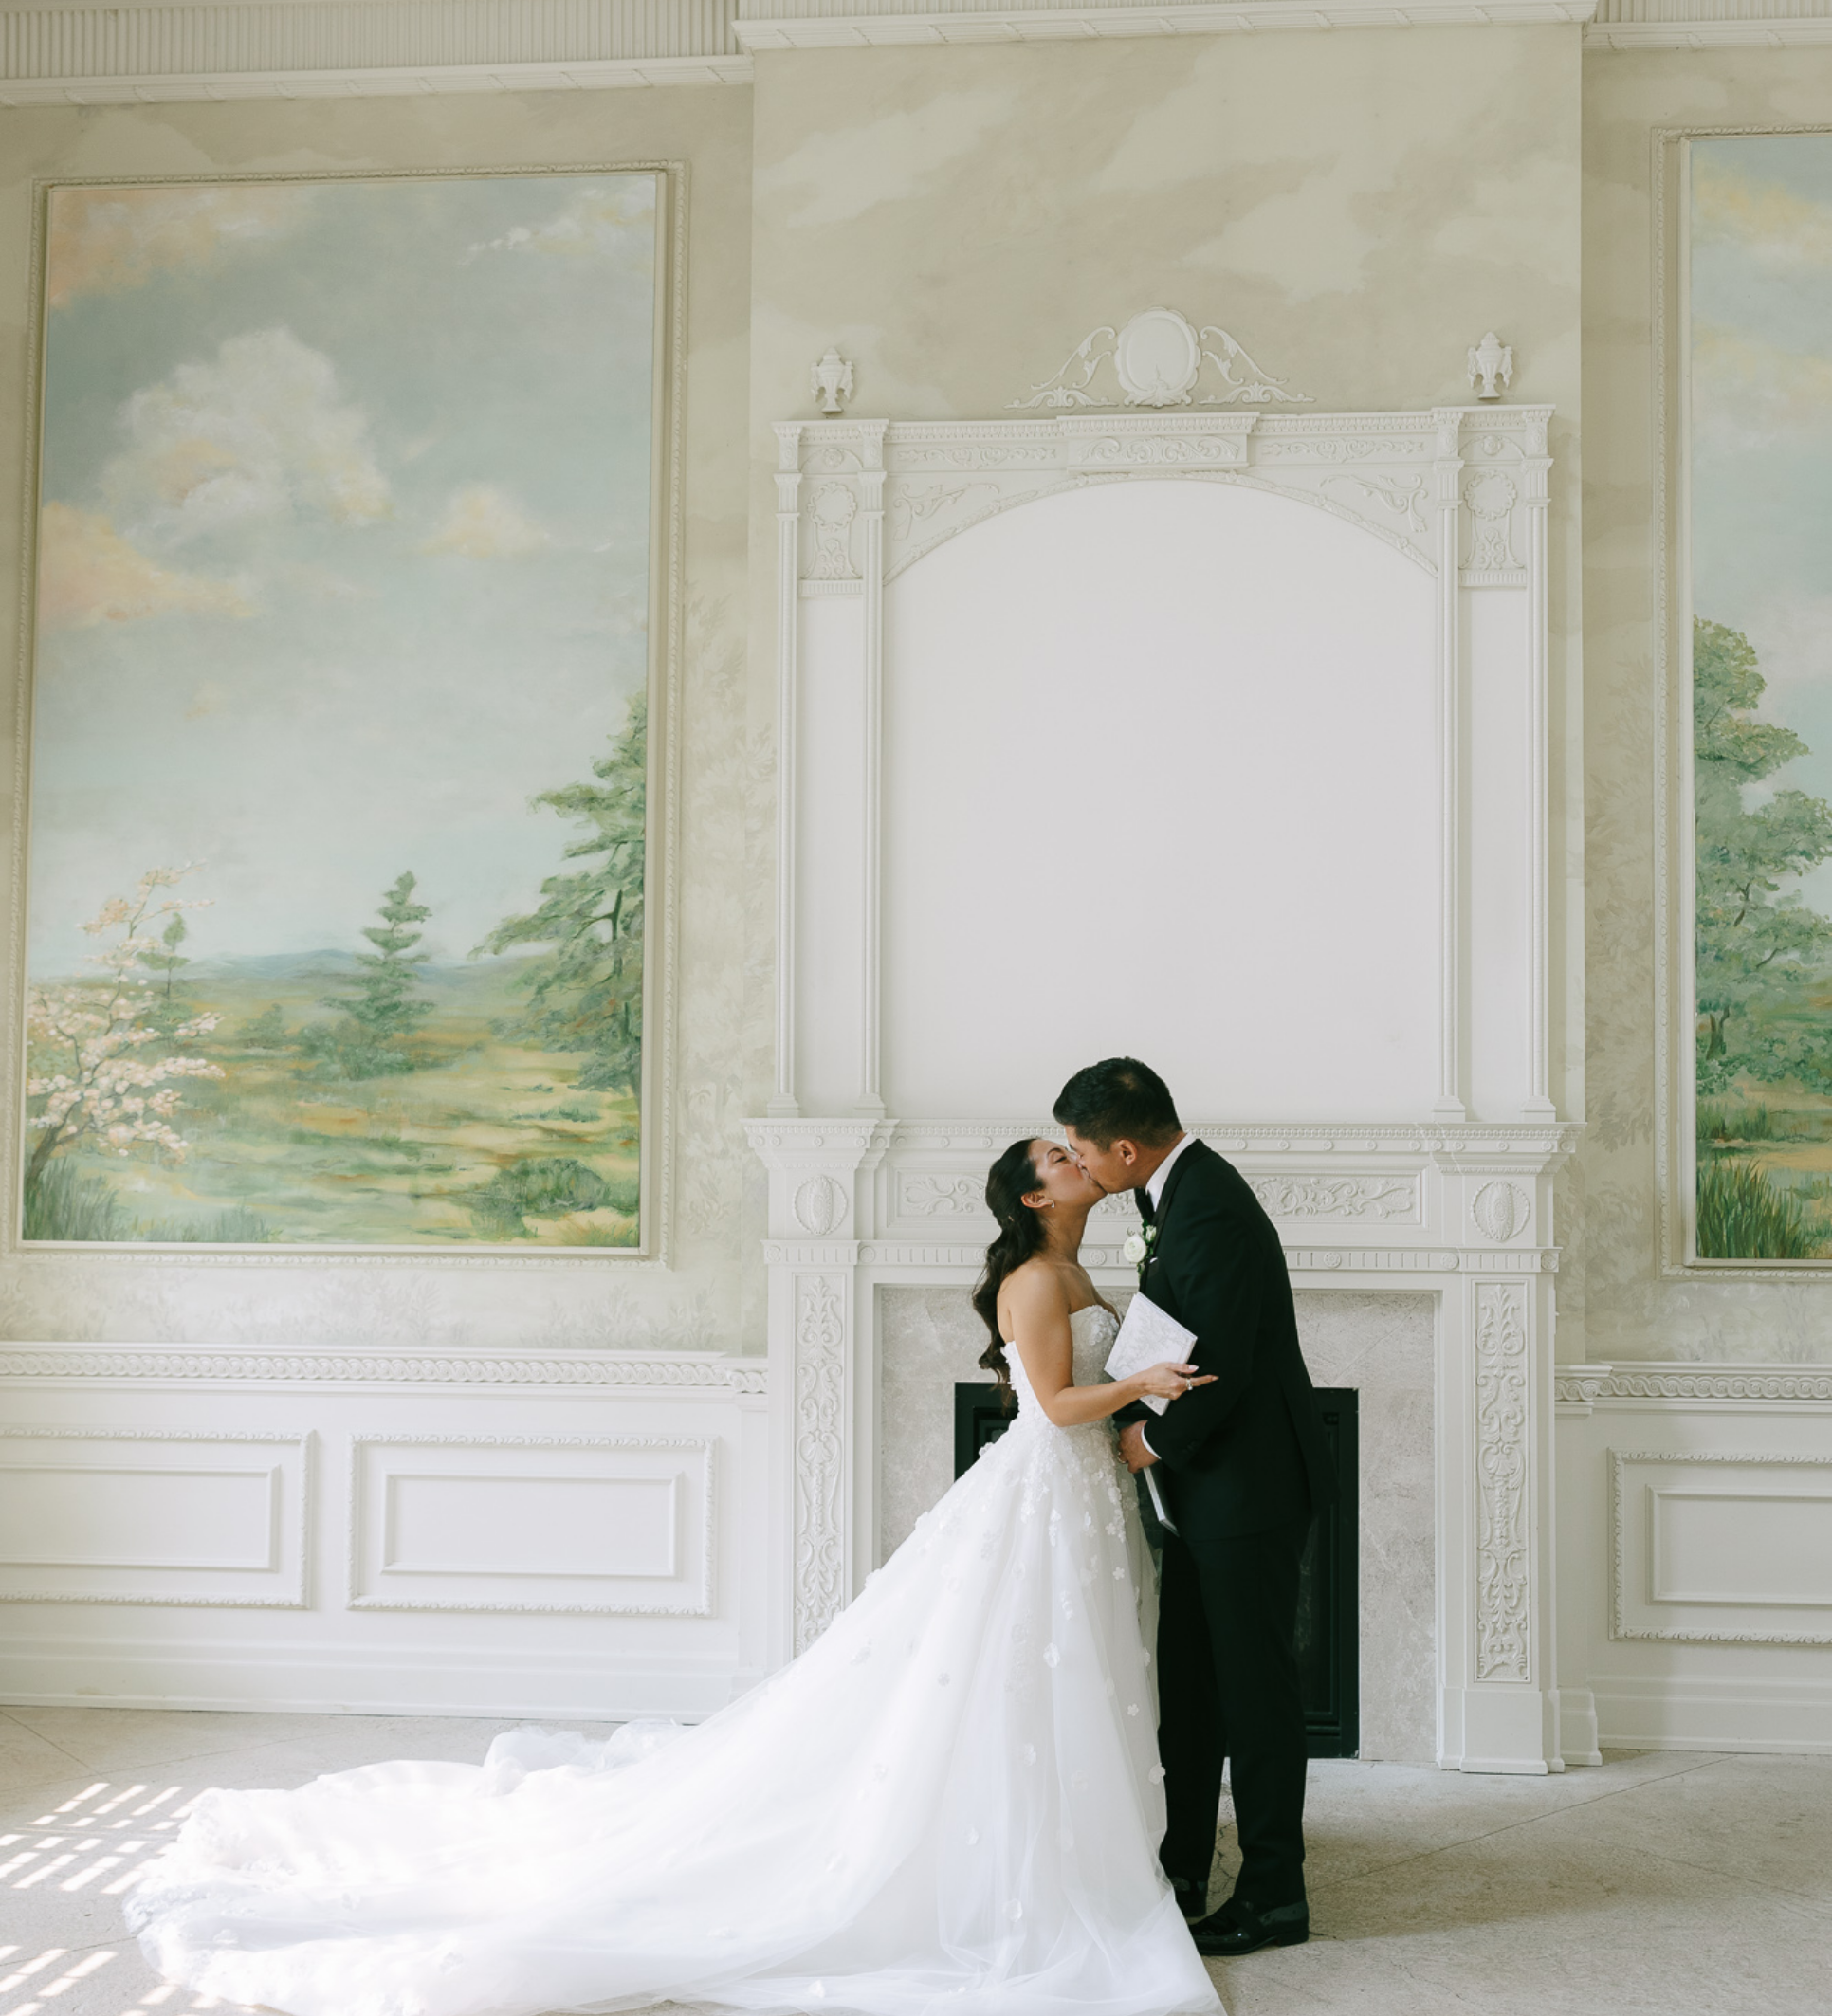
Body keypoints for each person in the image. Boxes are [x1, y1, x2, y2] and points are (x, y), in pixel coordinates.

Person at [125, 1135, 1220, 2016]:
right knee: (1014, 1666)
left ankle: (1077, 1843)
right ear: (1034, 1198)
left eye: (1082, 1150)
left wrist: (1136, 1402)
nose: (1080, 1159)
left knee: (1069, 1669)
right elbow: (1050, 1405)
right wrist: (1146, 1390)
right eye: (1061, 1158)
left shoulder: (1083, 1263)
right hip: (1042, 1488)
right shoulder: (1034, 1278)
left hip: (1086, 1497)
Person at [1053, 1057, 1335, 1960]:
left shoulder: (1207, 1202)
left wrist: (1153, 1442)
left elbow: (1225, 1365)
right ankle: (1180, 1866)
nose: (1079, 1166)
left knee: (1254, 1700)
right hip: (1209, 1492)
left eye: (1081, 1152)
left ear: (1126, 1147)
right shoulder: (1176, 1194)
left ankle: (1272, 1897)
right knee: (1192, 1689)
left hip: (1246, 1490)